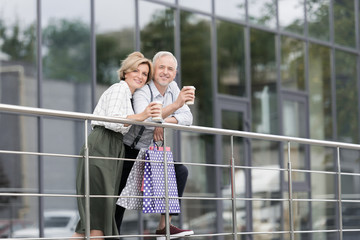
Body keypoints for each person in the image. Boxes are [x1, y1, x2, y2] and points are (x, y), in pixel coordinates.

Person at [72, 52, 161, 240]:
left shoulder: (129, 96)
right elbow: (112, 121)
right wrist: (143, 115)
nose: (140, 76)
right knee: (98, 220)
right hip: (103, 144)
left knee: (91, 223)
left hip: (112, 147)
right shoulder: (119, 89)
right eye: (136, 70)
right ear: (125, 72)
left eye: (145, 74)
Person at [115, 51, 195, 239]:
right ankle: (112, 234)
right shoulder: (144, 89)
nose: (165, 72)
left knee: (180, 171)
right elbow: (145, 118)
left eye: (170, 69)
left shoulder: (173, 87)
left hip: (148, 150)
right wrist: (171, 109)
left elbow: (188, 117)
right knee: (119, 198)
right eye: (161, 67)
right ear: (154, 70)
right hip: (128, 148)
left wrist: (163, 122)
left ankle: (164, 226)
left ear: (175, 73)